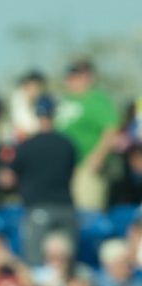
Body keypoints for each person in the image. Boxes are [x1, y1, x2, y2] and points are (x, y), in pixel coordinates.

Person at [0, 94, 77, 265]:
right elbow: (71, 172)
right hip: (66, 209)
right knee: (65, 266)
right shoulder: (68, 144)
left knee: (35, 265)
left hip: (38, 209)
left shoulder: (26, 146)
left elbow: (6, 179)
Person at [55, 59, 119, 211]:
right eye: (71, 75)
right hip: (66, 167)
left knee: (87, 212)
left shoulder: (96, 100)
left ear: (87, 77)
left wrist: (98, 156)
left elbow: (111, 130)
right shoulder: (64, 101)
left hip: (86, 166)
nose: (72, 80)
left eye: (78, 75)